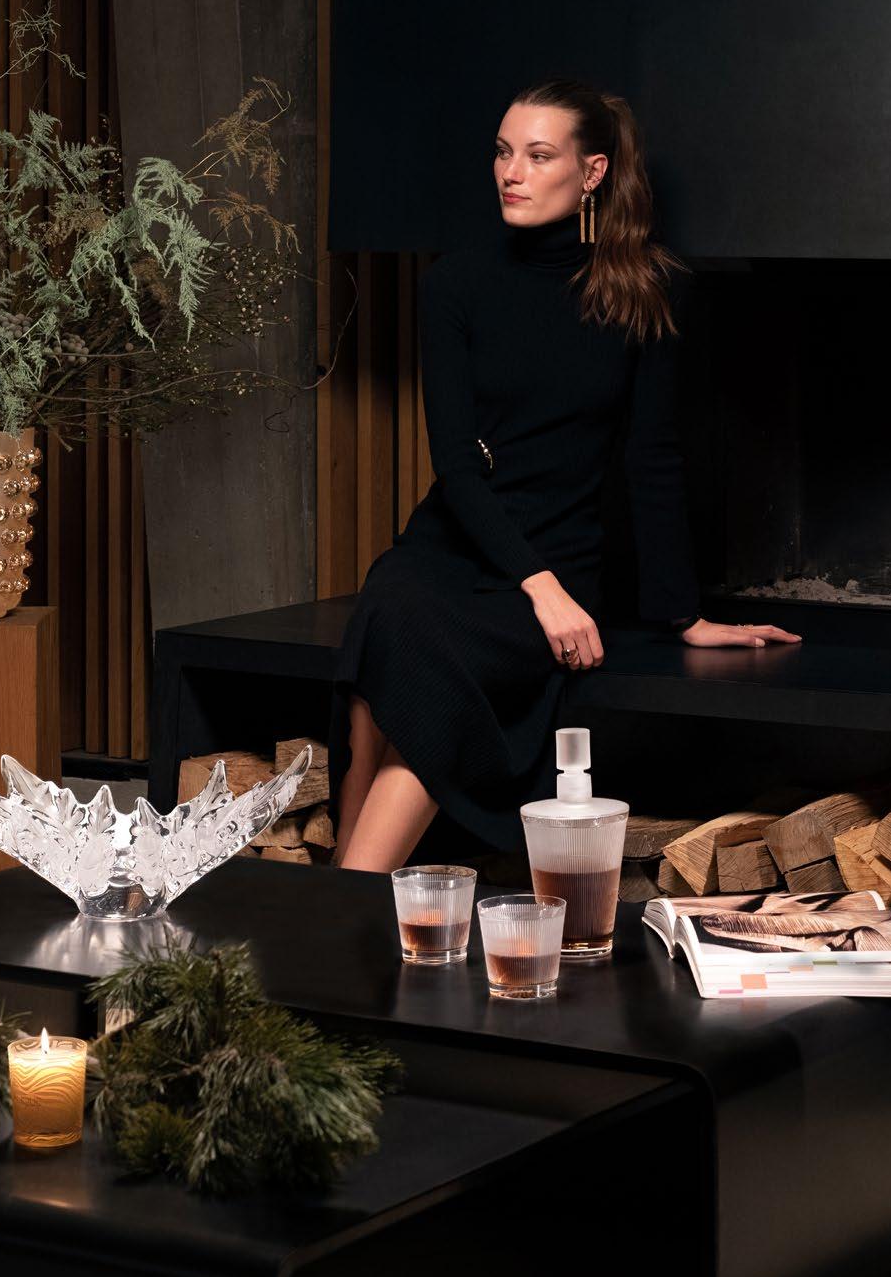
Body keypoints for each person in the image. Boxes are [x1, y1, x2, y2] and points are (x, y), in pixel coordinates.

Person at [325, 77, 801, 873]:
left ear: (591, 172)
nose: (511, 172)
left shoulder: (641, 292)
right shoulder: (454, 284)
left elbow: (651, 458)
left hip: (563, 553)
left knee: (419, 684)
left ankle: (341, 896)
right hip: (455, 546)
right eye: (502, 152)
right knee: (392, 618)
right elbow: (455, 466)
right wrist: (537, 586)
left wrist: (681, 614)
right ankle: (345, 893)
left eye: (538, 156)